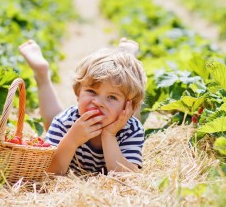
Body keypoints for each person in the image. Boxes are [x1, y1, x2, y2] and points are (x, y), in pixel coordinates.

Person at [19, 38, 146, 175]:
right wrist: (72, 139)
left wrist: (109, 135)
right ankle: (42, 75)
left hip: (125, 114)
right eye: (92, 91)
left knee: (131, 98)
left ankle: (126, 57)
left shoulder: (131, 129)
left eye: (112, 97)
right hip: (66, 124)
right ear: (78, 92)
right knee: (51, 121)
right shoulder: (64, 121)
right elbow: (50, 173)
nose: (98, 102)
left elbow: (126, 176)